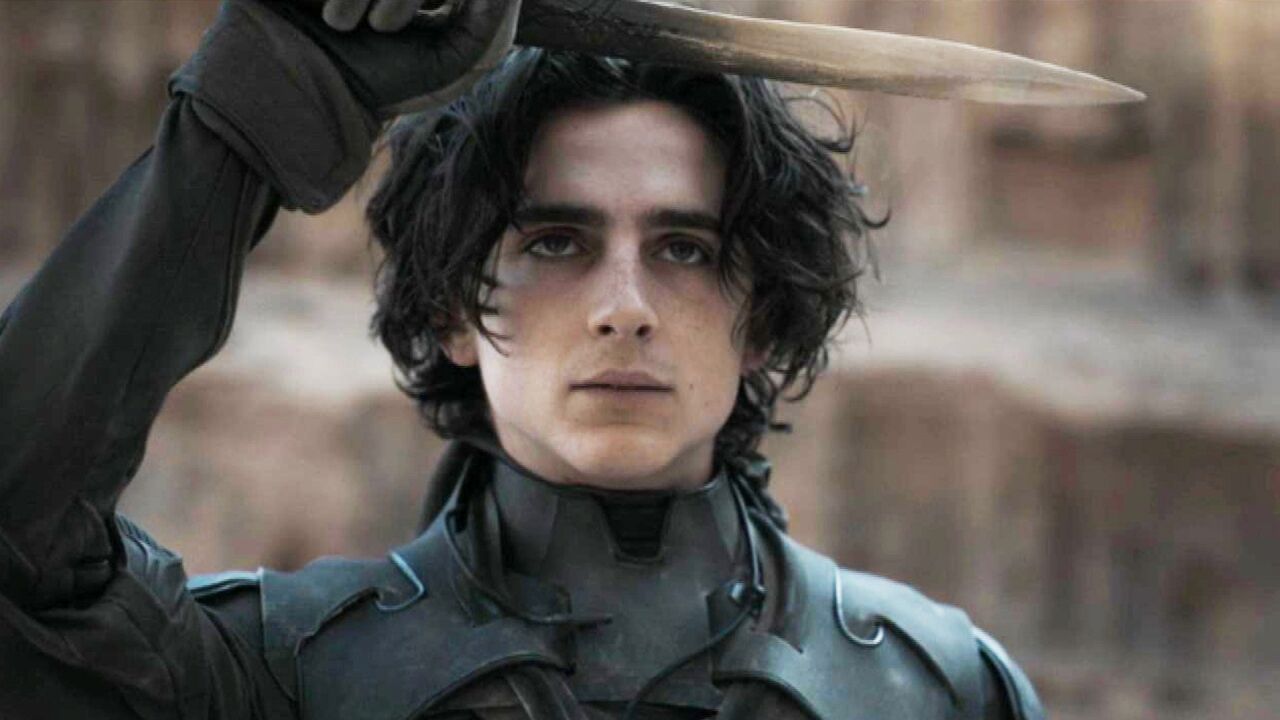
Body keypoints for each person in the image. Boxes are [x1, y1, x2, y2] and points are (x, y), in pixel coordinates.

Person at [0, 1, 1043, 718]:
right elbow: (20, 544)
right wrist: (263, 100)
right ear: (453, 306)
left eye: (685, 249)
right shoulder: (276, 675)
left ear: (763, 316)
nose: (624, 310)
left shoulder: (941, 691)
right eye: (555, 243)